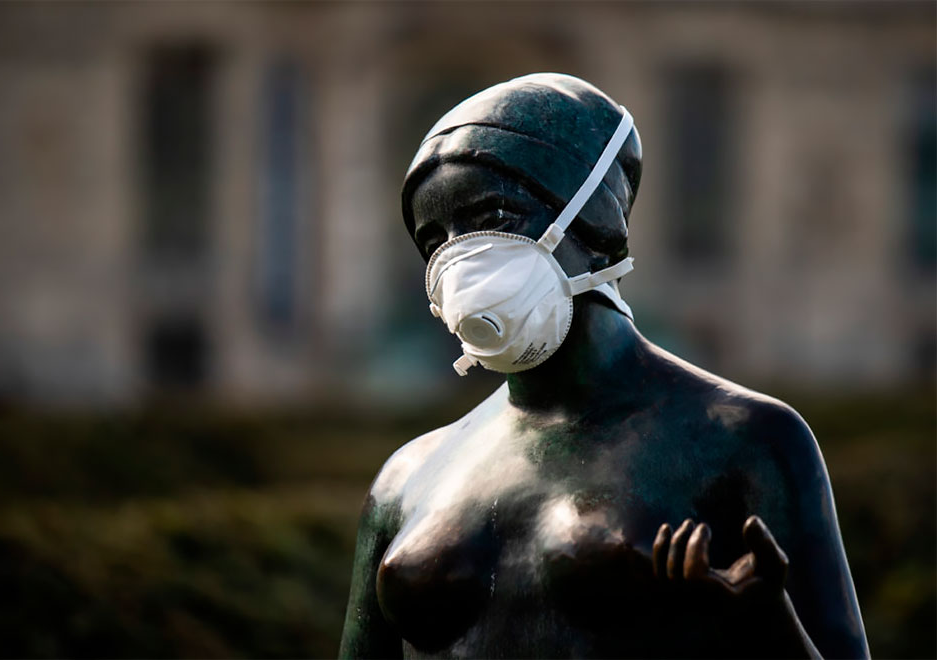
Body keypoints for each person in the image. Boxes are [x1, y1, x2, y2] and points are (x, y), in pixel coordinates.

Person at [339, 73, 869, 659]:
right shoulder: (408, 476)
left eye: (494, 213)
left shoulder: (743, 439)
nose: (462, 256)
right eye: (436, 237)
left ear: (597, 221)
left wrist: (766, 626)